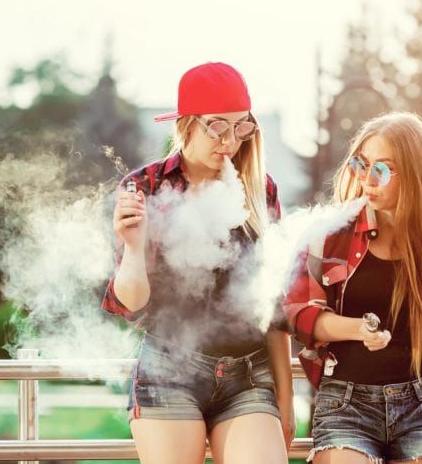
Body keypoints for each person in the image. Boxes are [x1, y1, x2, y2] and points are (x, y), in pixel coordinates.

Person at [102, 62, 294, 464]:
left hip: (248, 376)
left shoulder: (262, 189)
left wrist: (286, 397)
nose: (229, 141)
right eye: (217, 126)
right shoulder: (147, 187)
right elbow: (131, 304)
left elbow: (273, 305)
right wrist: (134, 248)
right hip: (169, 370)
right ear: (185, 125)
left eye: (241, 126)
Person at [283, 112, 422, 464]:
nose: (367, 179)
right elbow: (299, 315)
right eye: (361, 164)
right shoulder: (327, 235)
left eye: (382, 170)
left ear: (415, 175)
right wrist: (359, 329)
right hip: (347, 402)